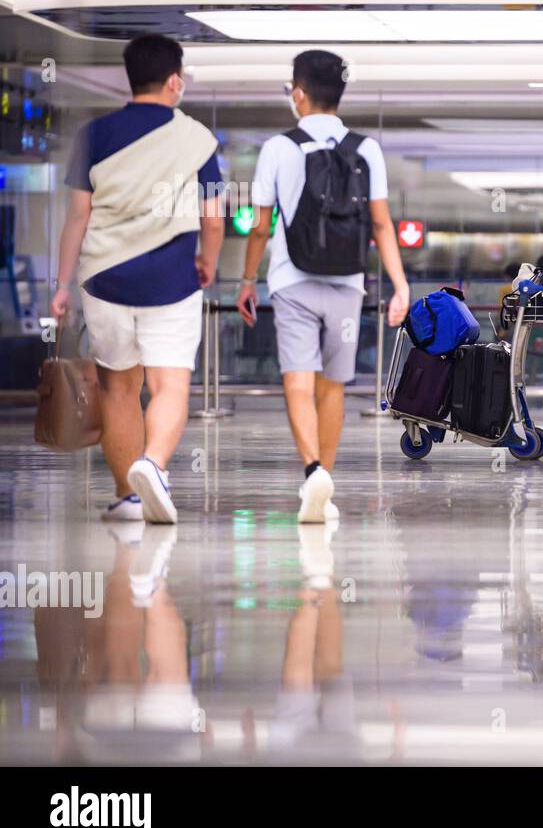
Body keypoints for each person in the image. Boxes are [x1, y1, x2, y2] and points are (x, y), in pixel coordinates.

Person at [51, 33, 223, 524]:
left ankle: (128, 496)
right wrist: (208, 261)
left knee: (118, 388)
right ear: (175, 80)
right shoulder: (200, 141)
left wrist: (62, 285)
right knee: (170, 386)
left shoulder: (93, 136)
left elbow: (77, 218)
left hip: (104, 282)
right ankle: (153, 464)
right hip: (171, 281)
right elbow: (214, 217)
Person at [236, 50, 410, 522]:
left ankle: (312, 470)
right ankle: (323, 487)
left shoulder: (279, 147)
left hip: (292, 280)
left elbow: (259, 225)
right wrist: (400, 285)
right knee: (332, 385)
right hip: (348, 285)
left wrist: (247, 280)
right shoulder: (366, 147)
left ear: (298, 93)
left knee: (298, 378)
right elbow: (380, 224)